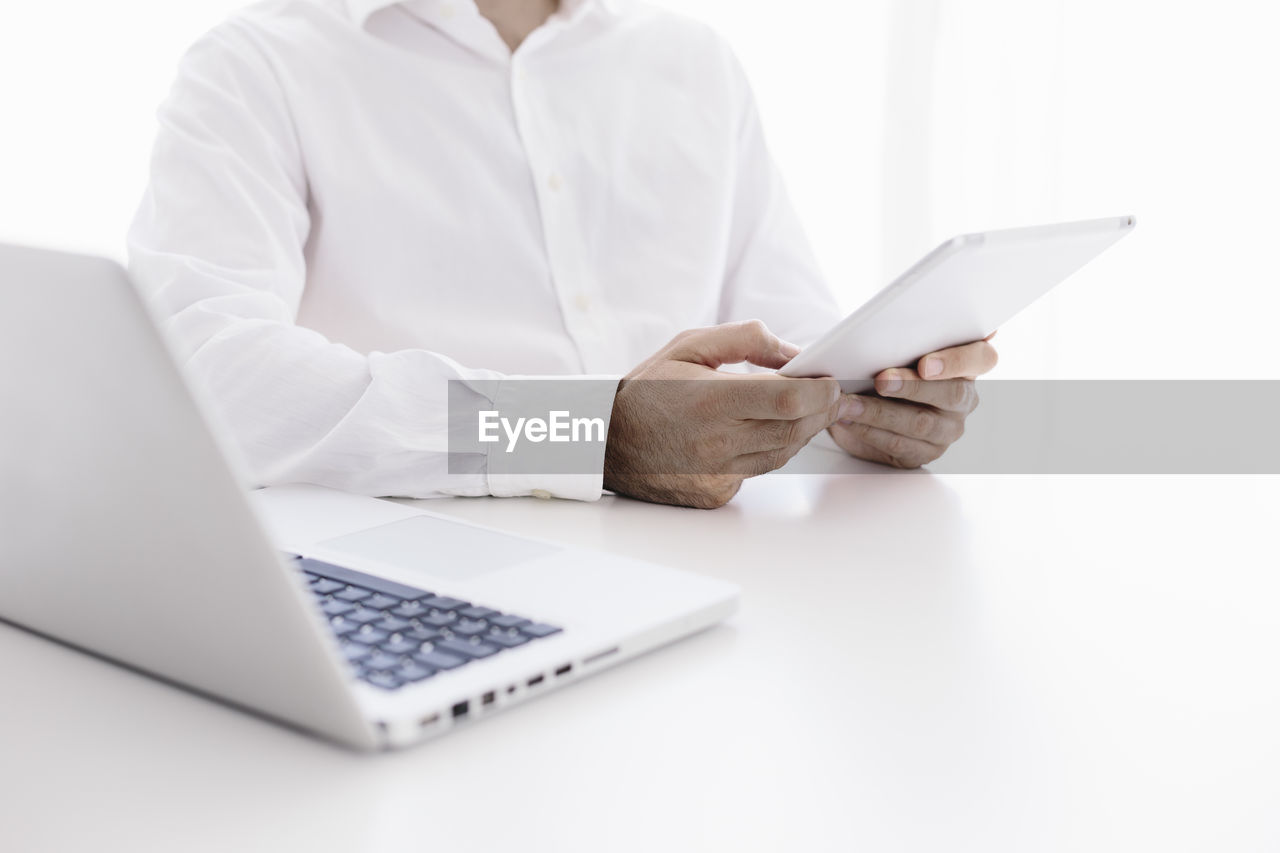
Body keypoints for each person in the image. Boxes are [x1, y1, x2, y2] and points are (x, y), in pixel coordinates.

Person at [128, 0, 997, 509]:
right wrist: (586, 431)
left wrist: (875, 401)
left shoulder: (692, 62)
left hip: (712, 586)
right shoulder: (259, 64)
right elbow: (202, 376)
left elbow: (795, 336)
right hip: (411, 573)